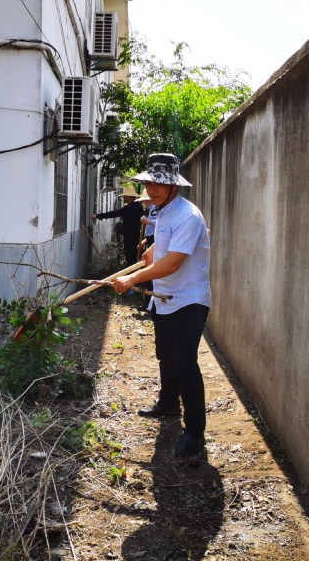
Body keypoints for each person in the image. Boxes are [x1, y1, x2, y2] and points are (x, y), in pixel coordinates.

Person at [111, 153, 211, 457]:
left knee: (185, 363)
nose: (152, 189)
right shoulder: (163, 210)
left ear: (173, 186)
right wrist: (153, 248)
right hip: (165, 298)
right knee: (166, 356)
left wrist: (133, 278)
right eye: (149, 183)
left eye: (159, 183)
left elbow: (172, 264)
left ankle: (194, 432)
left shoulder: (188, 216)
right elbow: (166, 242)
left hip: (189, 299)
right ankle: (168, 404)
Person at [92, 185, 144, 266]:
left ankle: (130, 270)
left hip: (129, 235)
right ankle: (136, 269)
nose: (124, 198)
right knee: (136, 255)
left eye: (125, 196)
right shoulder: (139, 207)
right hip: (138, 234)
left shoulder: (128, 208)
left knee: (129, 256)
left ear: (129, 196)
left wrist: (98, 216)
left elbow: (114, 213)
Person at [135, 190, 158, 311]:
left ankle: (150, 304)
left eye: (144, 200)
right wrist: (144, 242)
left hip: (155, 241)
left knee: (151, 273)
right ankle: (148, 303)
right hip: (151, 240)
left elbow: (160, 224)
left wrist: (147, 221)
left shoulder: (155, 208)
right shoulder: (151, 209)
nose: (144, 202)